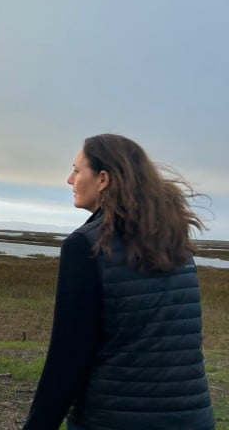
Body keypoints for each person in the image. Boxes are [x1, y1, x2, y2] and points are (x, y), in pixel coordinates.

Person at [23, 133, 214, 430]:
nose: (69, 179)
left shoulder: (85, 245)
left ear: (103, 179)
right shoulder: (174, 239)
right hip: (191, 419)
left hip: (113, 418)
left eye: (76, 170)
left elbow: (67, 358)